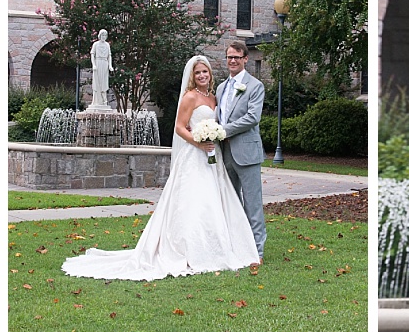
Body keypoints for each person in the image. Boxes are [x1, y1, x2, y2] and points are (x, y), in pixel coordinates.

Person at [62, 56, 260, 279]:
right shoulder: (190, 97)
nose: (202, 76)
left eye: (205, 72)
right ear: (192, 77)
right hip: (194, 156)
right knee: (194, 201)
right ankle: (189, 248)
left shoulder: (214, 97)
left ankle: (218, 245)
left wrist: (211, 141)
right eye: (198, 73)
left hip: (213, 158)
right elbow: (179, 128)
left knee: (214, 200)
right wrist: (199, 142)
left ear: (210, 74)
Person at [216, 41, 267, 261]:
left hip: (247, 153)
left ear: (246, 59)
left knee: (253, 204)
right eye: (229, 57)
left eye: (237, 57)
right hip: (225, 153)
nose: (233, 61)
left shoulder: (255, 86)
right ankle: (236, 246)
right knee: (231, 202)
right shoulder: (220, 88)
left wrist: (223, 130)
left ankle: (257, 251)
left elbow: (252, 118)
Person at [89, 29, 112, 109]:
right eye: (102, 35)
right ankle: (96, 101)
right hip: (98, 63)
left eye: (105, 35)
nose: (104, 37)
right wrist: (94, 65)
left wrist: (110, 66)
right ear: (99, 36)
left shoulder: (107, 45)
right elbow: (92, 55)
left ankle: (104, 101)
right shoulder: (96, 44)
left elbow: (109, 56)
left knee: (104, 83)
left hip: (104, 63)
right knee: (96, 82)